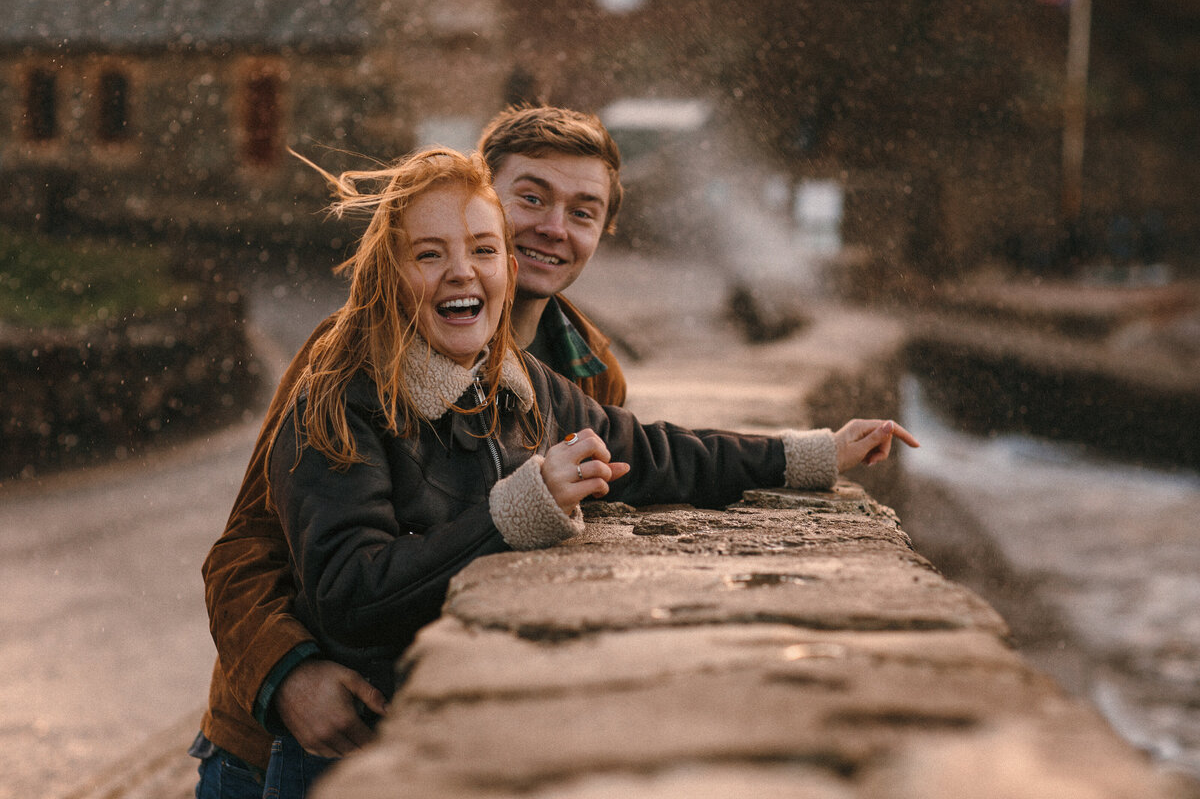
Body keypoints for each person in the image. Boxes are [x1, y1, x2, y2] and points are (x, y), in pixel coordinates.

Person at [262, 148, 917, 795]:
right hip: (348, 760)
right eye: (429, 254)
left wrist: (810, 456)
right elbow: (347, 595)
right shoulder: (340, 403)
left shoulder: (523, 387)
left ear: (508, 269)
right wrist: (516, 512)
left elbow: (658, 454)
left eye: (482, 251)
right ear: (388, 275)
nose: (462, 272)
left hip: (483, 747)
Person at [192, 105, 628, 798]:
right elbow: (242, 549)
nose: (553, 227)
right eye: (532, 197)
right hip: (284, 743)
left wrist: (802, 457)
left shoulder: (590, 374)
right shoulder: (348, 356)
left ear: (603, 231)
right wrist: (291, 674)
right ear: (479, 197)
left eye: (583, 210)